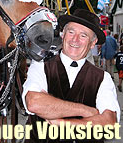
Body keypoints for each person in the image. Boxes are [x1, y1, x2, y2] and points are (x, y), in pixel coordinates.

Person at [22, 9, 120, 143]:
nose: (75, 40)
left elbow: (109, 123)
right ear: (63, 35)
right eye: (71, 32)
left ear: (93, 43)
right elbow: (34, 103)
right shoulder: (40, 65)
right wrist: (86, 111)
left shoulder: (103, 78)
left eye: (83, 35)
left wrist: (62, 123)